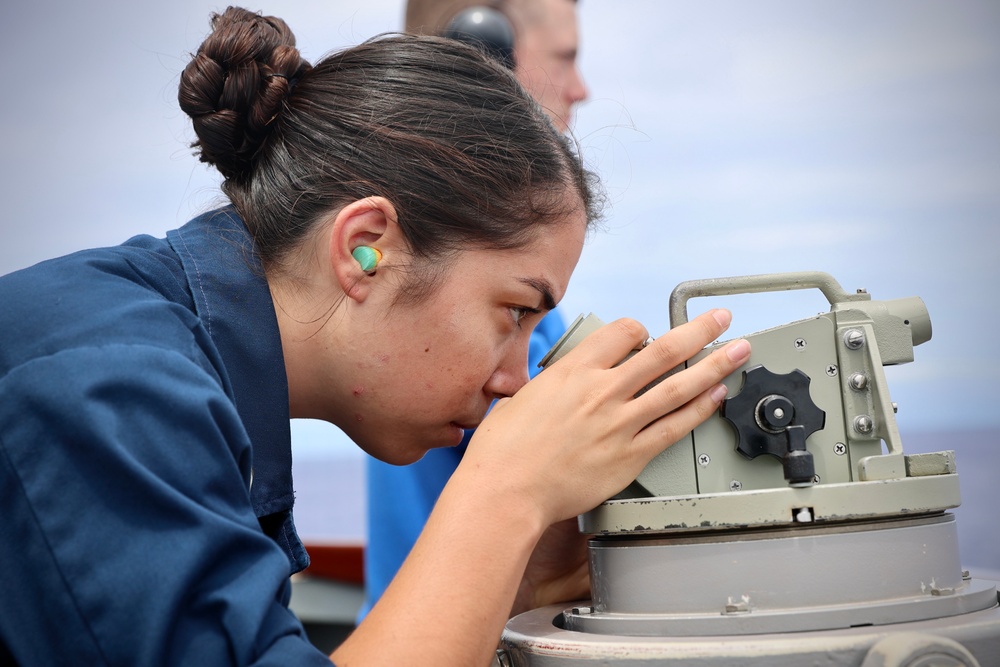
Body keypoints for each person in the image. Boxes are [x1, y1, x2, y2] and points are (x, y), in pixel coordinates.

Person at [0, 7, 750, 666]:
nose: (515, 379)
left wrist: (516, 590)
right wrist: (507, 490)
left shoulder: (168, 367)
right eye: (516, 310)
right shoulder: (107, 392)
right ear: (368, 247)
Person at [361, 0, 591, 621]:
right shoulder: (494, 318)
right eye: (565, 58)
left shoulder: (431, 299)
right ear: (483, 58)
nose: (581, 89)